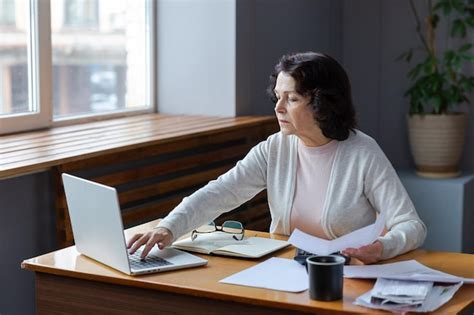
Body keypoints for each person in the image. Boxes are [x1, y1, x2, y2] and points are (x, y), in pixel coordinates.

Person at [128, 52, 427, 264]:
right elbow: (220, 192)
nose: (278, 107)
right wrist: (168, 227)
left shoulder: (363, 153)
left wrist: (382, 247)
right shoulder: (275, 148)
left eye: (292, 98)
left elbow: (411, 225)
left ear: (323, 104)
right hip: (284, 271)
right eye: (278, 96)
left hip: (342, 276)